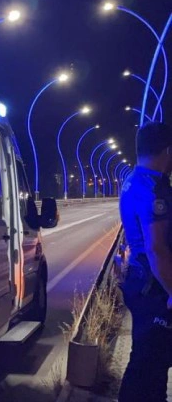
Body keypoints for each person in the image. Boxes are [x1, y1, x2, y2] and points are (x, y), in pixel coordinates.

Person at [118, 122, 172, 402]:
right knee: (147, 368)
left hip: (141, 283)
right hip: (155, 289)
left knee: (149, 366)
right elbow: (156, 249)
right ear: (167, 150)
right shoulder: (153, 188)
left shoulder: (132, 180)